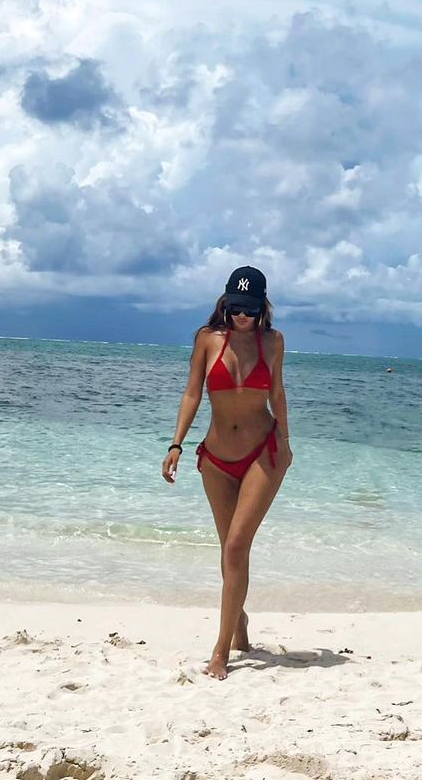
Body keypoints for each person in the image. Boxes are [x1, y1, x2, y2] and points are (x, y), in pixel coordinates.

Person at [161, 265, 292, 679]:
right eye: (236, 308)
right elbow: (192, 393)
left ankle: (221, 651)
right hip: (216, 459)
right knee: (227, 550)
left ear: (261, 307)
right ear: (225, 303)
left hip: (262, 453)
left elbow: (277, 393)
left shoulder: (273, 342)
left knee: (236, 546)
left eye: (249, 309)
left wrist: (286, 442)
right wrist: (176, 444)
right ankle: (239, 619)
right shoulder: (207, 339)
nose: (242, 316)